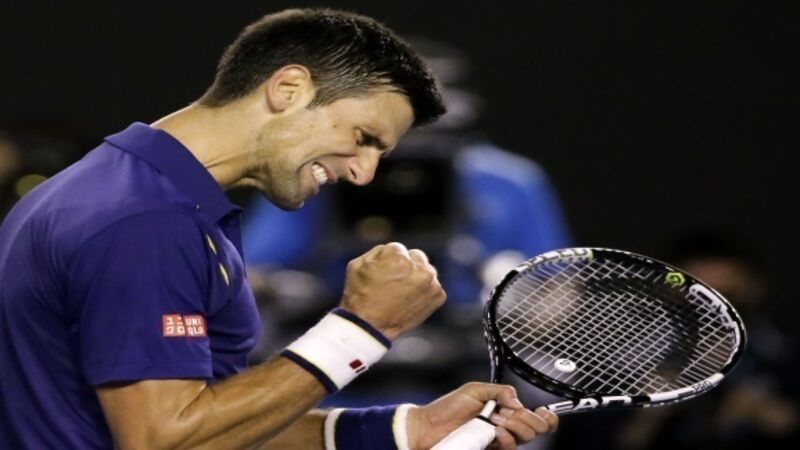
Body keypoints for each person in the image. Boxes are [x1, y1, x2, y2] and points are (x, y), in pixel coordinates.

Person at [0, 8, 557, 450]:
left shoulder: (126, 191)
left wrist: (404, 429)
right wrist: (362, 328)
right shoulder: (146, 222)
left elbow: (214, 427)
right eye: (363, 138)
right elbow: (165, 441)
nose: (364, 174)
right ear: (288, 89)